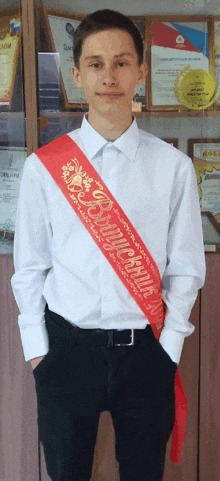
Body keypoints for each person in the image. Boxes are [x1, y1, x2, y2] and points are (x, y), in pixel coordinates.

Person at [11, 9, 206, 481]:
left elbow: (186, 268)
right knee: (67, 473)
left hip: (146, 353)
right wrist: (39, 352)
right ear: (76, 75)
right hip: (66, 350)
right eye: (95, 64)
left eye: (121, 62)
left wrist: (171, 347)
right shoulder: (45, 168)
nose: (109, 76)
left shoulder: (173, 168)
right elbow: (29, 268)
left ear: (141, 70)